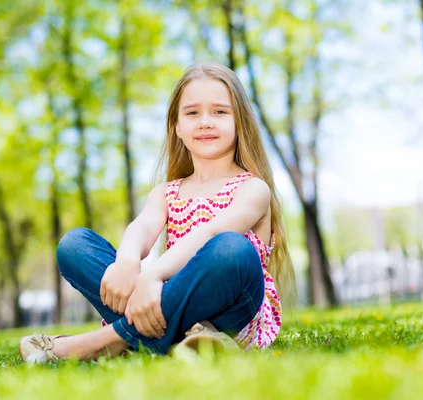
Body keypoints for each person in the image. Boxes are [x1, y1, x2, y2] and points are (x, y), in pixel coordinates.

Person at [18, 61, 296, 364]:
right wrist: (126, 262)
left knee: (232, 249)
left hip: (233, 311)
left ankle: (108, 340)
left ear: (239, 121)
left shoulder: (253, 189)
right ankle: (190, 337)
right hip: (163, 300)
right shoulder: (166, 192)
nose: (205, 122)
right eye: (192, 113)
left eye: (219, 111)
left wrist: (153, 275)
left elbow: (212, 233)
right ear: (176, 127)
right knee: (75, 246)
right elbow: (142, 227)